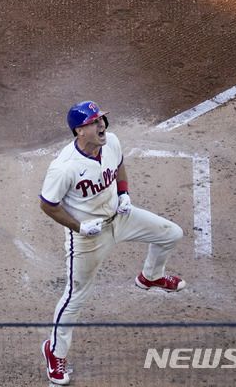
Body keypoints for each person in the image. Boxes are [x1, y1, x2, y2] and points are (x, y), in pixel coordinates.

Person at [39, 100, 186, 385]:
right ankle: (54, 351)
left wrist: (123, 194)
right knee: (75, 296)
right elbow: (48, 205)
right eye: (95, 122)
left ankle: (150, 277)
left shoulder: (112, 143)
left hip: (120, 217)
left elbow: (118, 167)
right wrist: (80, 226)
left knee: (171, 234)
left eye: (102, 119)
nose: (102, 125)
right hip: (88, 238)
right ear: (80, 130)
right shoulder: (64, 167)